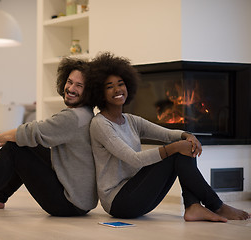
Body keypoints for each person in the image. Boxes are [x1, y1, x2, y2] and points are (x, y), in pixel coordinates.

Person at [87, 52, 250, 222]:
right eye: (109, 86)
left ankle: (193, 206)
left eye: (120, 84)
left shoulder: (130, 120)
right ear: (99, 92)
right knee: (177, 149)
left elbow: (164, 133)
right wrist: (176, 147)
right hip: (119, 202)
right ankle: (217, 206)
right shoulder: (100, 124)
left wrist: (188, 135)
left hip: (137, 191)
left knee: (182, 144)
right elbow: (134, 159)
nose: (117, 89)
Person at [0, 57, 98, 217]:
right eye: (69, 82)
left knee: (16, 147)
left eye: (79, 85)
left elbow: (30, 132)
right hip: (80, 201)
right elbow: (31, 135)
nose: (70, 88)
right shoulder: (86, 113)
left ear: (88, 91)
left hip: (68, 203)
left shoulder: (72, 118)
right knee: (26, 144)